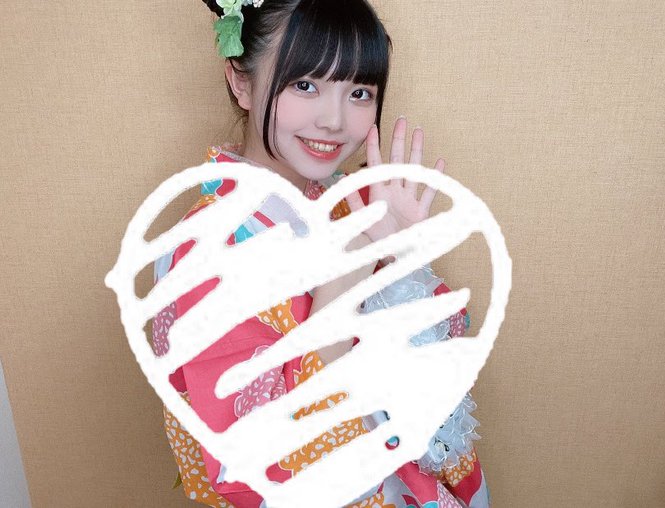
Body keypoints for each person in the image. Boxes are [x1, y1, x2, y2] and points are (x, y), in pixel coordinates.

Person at [152, 0, 491, 506]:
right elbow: (257, 461)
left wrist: (401, 262)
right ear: (241, 82)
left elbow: (440, 348)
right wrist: (359, 258)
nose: (334, 120)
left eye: (359, 92)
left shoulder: (342, 200)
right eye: (305, 85)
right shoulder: (203, 255)